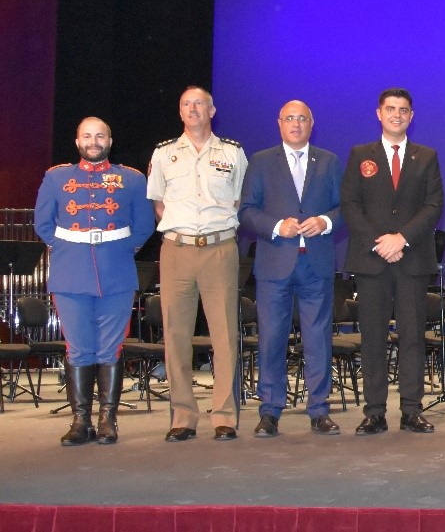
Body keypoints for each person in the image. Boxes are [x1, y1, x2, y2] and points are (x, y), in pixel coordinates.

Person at [34, 117, 153, 445]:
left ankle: (107, 419)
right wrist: (68, 248)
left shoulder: (132, 180)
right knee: (79, 347)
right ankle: (80, 420)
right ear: (77, 141)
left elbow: (143, 225)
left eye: (100, 136)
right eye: (87, 136)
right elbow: (42, 223)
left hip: (115, 271)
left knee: (110, 347)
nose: (94, 141)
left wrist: (118, 247)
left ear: (110, 141)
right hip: (70, 273)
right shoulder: (56, 177)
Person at [147, 86, 247, 441]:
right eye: (186, 103)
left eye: (199, 103)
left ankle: (224, 415)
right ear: (180, 112)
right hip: (177, 249)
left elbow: (239, 202)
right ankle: (182, 417)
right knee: (175, 334)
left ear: (212, 110)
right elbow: (159, 203)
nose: (193, 109)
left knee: (224, 335)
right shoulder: (164, 154)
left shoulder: (234, 153)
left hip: (220, 249)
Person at [341, 88, 443, 435]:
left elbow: (433, 206)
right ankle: (374, 412)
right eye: (390, 109)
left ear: (411, 116)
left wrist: (402, 239)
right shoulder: (360, 155)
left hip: (412, 258)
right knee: (372, 338)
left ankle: (412, 410)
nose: (396, 114)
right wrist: (380, 242)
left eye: (403, 110)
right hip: (372, 261)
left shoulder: (426, 157)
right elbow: (350, 205)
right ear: (378, 113)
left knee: (413, 336)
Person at [239, 100, 342, 436]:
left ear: (312, 123)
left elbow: (346, 208)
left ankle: (319, 409)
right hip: (274, 264)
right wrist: (274, 226)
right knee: (271, 339)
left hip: (316, 263)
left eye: (302, 118)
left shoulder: (328, 161)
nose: (296, 124)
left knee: (318, 340)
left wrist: (325, 221)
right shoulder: (261, 161)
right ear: (279, 123)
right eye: (289, 118)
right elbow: (247, 211)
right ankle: (269, 411)